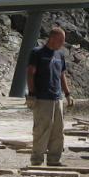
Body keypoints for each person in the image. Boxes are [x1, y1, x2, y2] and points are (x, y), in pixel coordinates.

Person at [26, 26, 73, 167]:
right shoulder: (37, 53)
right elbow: (30, 73)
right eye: (61, 40)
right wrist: (32, 93)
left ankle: (54, 160)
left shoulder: (60, 55)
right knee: (42, 130)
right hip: (42, 97)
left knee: (58, 131)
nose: (62, 43)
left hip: (57, 97)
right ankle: (37, 160)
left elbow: (62, 75)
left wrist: (68, 93)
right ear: (52, 38)